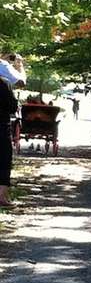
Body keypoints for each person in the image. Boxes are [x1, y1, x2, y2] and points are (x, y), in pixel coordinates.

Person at [0, 55, 24, 208]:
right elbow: (12, 107)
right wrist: (19, 65)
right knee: (2, 161)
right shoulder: (4, 84)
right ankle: (2, 197)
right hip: (0, 127)